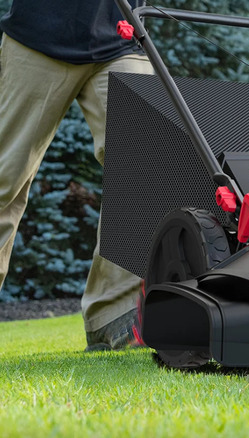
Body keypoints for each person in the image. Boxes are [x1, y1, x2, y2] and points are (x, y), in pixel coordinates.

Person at [0, 0, 154, 350]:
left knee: (145, 166)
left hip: (121, 34)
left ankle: (113, 318)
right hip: (39, 34)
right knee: (5, 175)